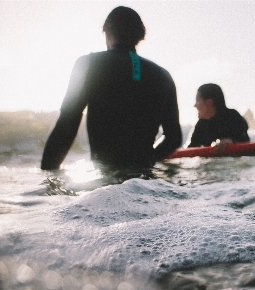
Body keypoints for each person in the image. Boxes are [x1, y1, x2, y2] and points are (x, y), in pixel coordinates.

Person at [41, 6, 182, 173]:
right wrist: (149, 159)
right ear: (139, 36)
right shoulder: (163, 75)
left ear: (106, 32)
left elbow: (67, 123)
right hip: (145, 179)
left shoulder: (89, 64)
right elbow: (174, 138)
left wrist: (47, 176)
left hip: (105, 181)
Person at [187, 83, 249, 148]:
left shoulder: (233, 117)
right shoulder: (201, 125)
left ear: (209, 102)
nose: (195, 105)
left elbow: (244, 140)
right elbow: (189, 150)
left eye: (197, 101)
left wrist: (231, 142)